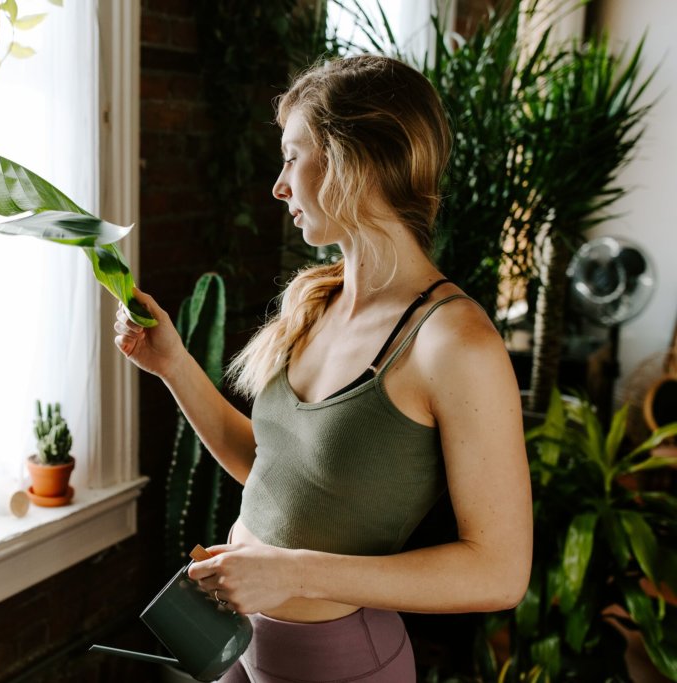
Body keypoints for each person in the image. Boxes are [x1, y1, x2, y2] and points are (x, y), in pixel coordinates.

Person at [114, 54, 532, 682]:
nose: (279, 186)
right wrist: (172, 364)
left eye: (292, 156)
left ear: (352, 161)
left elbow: (499, 573)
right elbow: (275, 471)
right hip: (238, 643)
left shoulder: (453, 342)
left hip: (338, 663)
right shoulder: (316, 302)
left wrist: (291, 571)